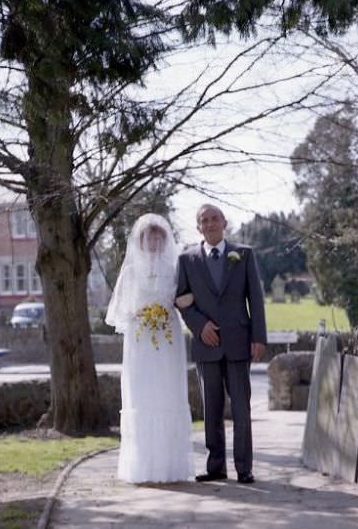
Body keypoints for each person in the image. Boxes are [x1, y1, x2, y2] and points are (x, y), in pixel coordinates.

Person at [176, 203, 266, 484]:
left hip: (239, 342)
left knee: (241, 408)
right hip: (207, 346)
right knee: (211, 410)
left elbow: (256, 299)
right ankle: (215, 466)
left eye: (215, 218)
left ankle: (244, 468)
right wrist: (200, 327)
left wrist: (259, 337)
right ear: (198, 226)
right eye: (205, 220)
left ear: (224, 222)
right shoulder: (186, 260)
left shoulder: (244, 254)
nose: (211, 223)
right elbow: (181, 300)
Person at [105, 213, 194, 483]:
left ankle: (170, 466)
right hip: (141, 340)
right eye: (149, 236)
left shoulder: (176, 267)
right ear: (140, 240)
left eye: (159, 236)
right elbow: (120, 311)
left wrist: (177, 304)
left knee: (168, 394)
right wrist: (142, 314)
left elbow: (185, 297)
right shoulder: (131, 271)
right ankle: (142, 465)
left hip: (168, 339)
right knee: (142, 396)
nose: (154, 241)